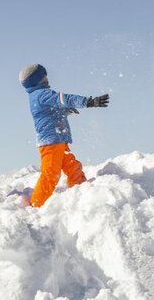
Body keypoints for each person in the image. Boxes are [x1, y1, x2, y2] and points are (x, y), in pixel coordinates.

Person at [19, 63, 109, 208]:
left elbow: (50, 112)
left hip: (57, 140)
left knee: (72, 166)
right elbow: (63, 99)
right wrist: (88, 102)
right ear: (36, 79)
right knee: (50, 174)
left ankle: (80, 189)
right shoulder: (42, 94)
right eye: (43, 75)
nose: (46, 78)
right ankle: (36, 205)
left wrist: (65, 111)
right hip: (51, 142)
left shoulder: (37, 95)